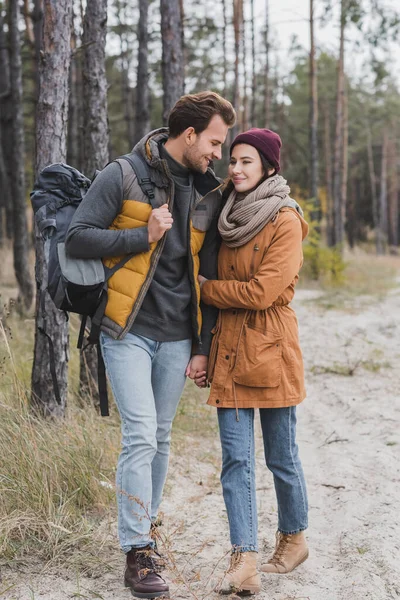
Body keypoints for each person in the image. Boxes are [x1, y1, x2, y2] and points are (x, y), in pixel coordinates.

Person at [65, 91, 236, 599]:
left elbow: (207, 272)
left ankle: (148, 529)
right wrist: (141, 235)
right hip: (127, 329)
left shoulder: (210, 191)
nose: (218, 154)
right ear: (189, 135)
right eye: (215, 142)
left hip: (179, 335)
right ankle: (137, 549)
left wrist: (203, 343)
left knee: (160, 436)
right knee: (140, 433)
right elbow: (77, 237)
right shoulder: (123, 174)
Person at [196, 128, 309, 596]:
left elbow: (264, 291)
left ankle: (294, 535)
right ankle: (244, 559)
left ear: (268, 167)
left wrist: (206, 290)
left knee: (281, 457)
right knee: (235, 462)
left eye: (247, 162)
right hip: (228, 349)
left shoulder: (285, 218)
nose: (236, 169)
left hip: (272, 348)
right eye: (233, 161)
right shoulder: (225, 214)